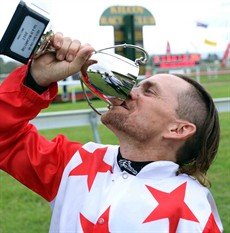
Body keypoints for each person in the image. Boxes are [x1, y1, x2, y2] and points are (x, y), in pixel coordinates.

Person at [0, 32, 223, 233]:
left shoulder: (194, 210)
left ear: (179, 129)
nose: (129, 92)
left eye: (149, 92)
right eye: (137, 85)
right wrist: (35, 80)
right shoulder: (74, 163)